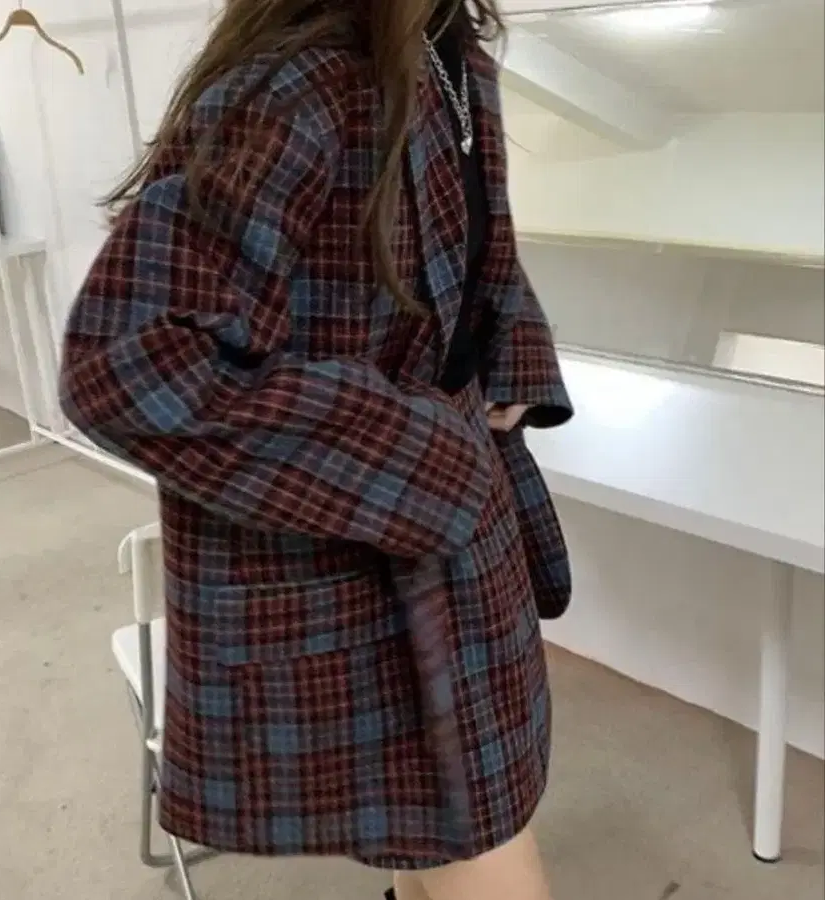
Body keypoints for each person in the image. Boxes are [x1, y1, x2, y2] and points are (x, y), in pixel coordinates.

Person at [58, 1, 574, 898]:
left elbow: (479, 247)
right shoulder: (297, 89)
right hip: (347, 551)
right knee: (478, 839)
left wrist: (513, 356)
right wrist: (420, 456)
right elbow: (126, 365)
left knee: (440, 827)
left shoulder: (454, 54)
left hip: (455, 535)